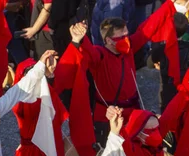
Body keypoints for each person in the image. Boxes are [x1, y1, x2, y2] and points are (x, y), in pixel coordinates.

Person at [69, 1, 182, 146]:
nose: (126, 40)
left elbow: (147, 28)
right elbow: (87, 52)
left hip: (132, 112)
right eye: (121, 37)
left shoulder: (128, 49)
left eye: (127, 35)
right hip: (108, 117)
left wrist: (169, 5)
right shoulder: (99, 54)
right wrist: (80, 39)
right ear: (108, 40)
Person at [13, 57, 68, 156]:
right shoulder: (22, 97)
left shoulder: (42, 91)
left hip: (44, 146)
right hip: (34, 151)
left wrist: (49, 76)